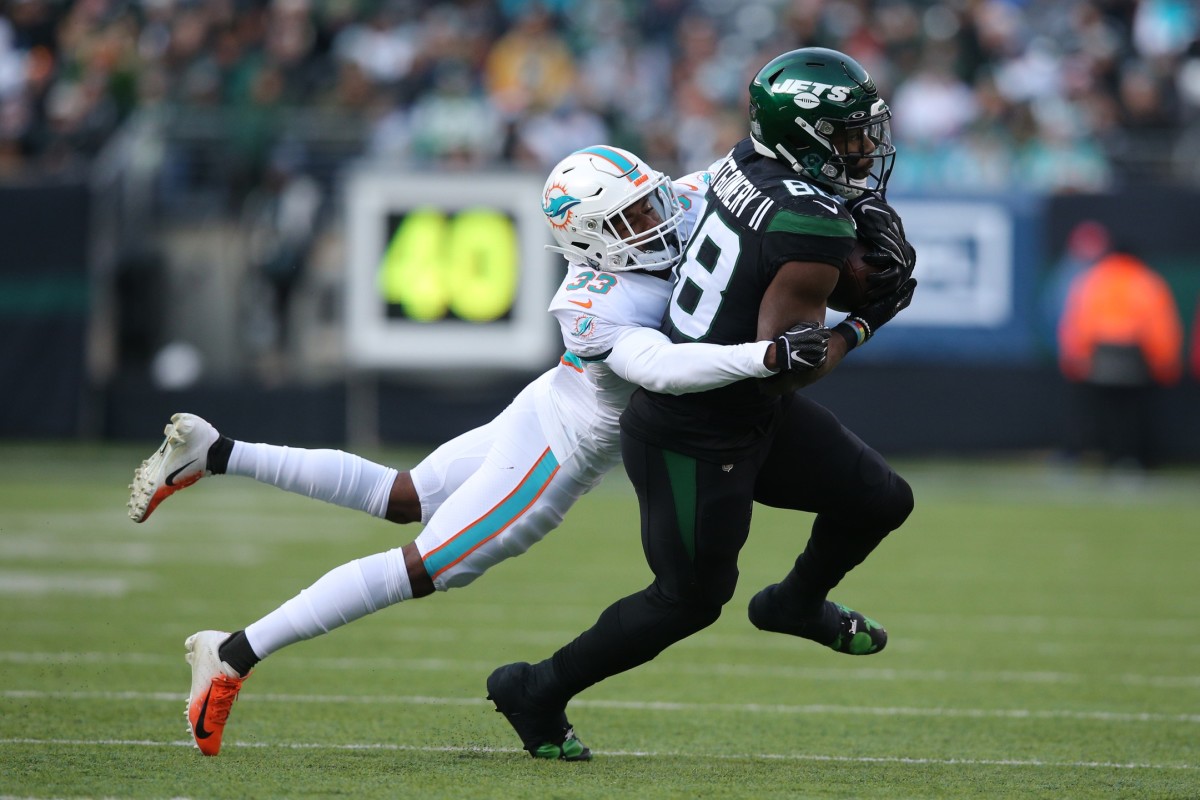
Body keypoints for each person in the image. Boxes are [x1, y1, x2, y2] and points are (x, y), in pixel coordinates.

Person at [127, 145, 831, 757]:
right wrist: (766, 355)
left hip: (549, 400)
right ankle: (234, 651)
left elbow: (734, 170)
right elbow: (661, 370)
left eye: (650, 205)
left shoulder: (673, 201)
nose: (656, 223)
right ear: (590, 240)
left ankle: (215, 454)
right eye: (632, 221)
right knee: (430, 566)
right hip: (558, 447)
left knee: (403, 496)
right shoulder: (594, 299)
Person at [486, 47, 919, 760]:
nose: (862, 149)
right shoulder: (811, 224)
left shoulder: (745, 160)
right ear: (805, 135)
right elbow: (788, 364)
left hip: (748, 409)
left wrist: (846, 272)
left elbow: (771, 263)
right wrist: (868, 318)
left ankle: (795, 603)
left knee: (880, 499)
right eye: (846, 134)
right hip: (692, 433)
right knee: (689, 599)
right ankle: (535, 689)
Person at [1057, 245, 1183, 469]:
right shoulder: (1147, 282)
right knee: (1131, 412)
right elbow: (1160, 327)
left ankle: (1086, 455)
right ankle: (1127, 458)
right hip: (1133, 358)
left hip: (1099, 357)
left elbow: (1077, 321)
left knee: (1097, 410)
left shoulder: (1093, 279)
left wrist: (1076, 356)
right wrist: (1164, 361)